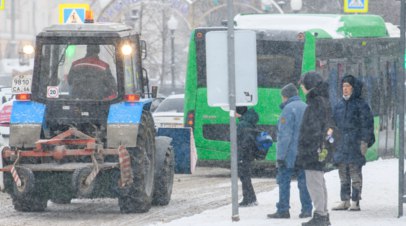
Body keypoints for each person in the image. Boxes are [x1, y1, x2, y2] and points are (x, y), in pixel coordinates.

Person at [267, 83, 312, 219]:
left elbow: (284, 136)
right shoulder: (306, 107)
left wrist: (280, 157)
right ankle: (307, 209)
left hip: (290, 154)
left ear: (285, 96)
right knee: (303, 182)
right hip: (304, 152)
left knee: (284, 181)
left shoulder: (288, 109)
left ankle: (283, 209)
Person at [296, 72, 334, 226]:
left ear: (309, 85)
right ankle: (323, 214)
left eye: (303, 84)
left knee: (314, 182)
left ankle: (320, 215)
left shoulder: (315, 103)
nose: (302, 87)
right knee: (319, 181)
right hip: (319, 148)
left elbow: (312, 129)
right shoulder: (323, 101)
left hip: (313, 149)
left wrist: (306, 147)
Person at [331, 75, 374, 211]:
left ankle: (355, 200)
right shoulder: (338, 105)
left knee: (355, 173)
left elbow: (367, 124)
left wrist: (364, 141)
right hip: (341, 144)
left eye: (348, 86)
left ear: (354, 88)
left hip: (355, 143)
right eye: (343, 86)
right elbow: (334, 124)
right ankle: (345, 200)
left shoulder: (361, 105)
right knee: (343, 173)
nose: (345, 89)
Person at [236, 106, 259, 207]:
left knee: (244, 177)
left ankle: (248, 199)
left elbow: (243, 141)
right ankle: (251, 198)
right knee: (246, 176)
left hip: (244, 154)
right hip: (249, 153)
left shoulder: (242, 124)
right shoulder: (249, 121)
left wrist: (241, 154)